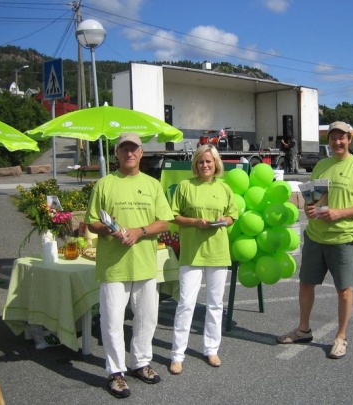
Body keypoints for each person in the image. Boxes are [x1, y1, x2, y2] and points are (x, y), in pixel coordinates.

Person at [277, 121, 353, 359]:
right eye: (333, 138)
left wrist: (339, 213)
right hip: (315, 236)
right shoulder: (321, 164)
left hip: (343, 238)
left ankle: (341, 337)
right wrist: (310, 210)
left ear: (350, 139)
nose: (337, 142)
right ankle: (303, 329)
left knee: (343, 290)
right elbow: (315, 199)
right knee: (305, 284)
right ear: (329, 140)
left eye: (342, 138)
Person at [85, 133, 174, 399]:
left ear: (141, 152)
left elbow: (165, 221)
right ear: (117, 154)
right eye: (124, 149)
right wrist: (109, 229)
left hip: (145, 263)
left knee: (147, 317)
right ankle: (115, 372)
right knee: (112, 321)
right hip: (114, 265)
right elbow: (91, 222)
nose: (129, 153)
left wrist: (139, 231)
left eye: (133, 149)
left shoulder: (152, 185)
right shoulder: (104, 184)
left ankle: (140, 363)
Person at [169, 144, 238, 375]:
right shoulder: (185, 186)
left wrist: (224, 220)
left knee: (216, 304)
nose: (205, 165)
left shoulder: (224, 188)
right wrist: (195, 222)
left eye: (209, 161)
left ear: (216, 164)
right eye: (201, 162)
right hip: (191, 252)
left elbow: (232, 216)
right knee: (186, 303)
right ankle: (177, 354)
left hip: (217, 251)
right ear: (195, 164)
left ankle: (211, 349)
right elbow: (174, 215)